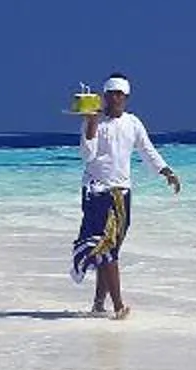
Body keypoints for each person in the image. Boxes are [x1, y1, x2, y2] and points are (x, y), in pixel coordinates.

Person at [72, 74, 181, 317]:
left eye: (120, 94)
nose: (115, 98)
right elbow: (87, 156)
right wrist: (90, 123)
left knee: (109, 251)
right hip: (97, 192)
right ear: (104, 96)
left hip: (122, 194)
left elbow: (147, 150)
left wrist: (166, 171)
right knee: (107, 249)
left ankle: (99, 304)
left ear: (127, 97)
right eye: (111, 94)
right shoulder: (95, 123)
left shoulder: (133, 123)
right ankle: (119, 306)